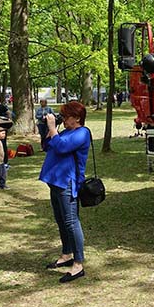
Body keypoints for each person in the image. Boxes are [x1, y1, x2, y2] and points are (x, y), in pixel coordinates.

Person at [39, 101, 91, 283]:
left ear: (77, 118)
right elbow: (47, 146)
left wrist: (53, 129)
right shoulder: (67, 131)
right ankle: (67, 253)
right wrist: (49, 130)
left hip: (67, 182)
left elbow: (61, 147)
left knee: (71, 221)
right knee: (61, 220)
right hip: (55, 180)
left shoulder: (82, 133)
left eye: (66, 116)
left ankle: (78, 263)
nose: (63, 119)